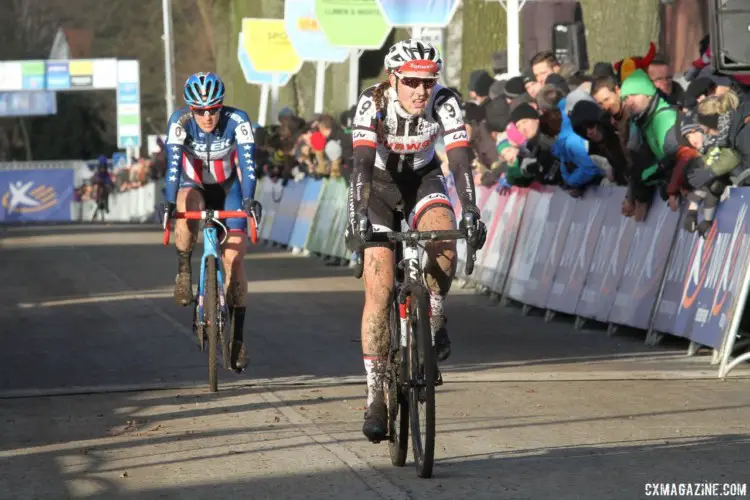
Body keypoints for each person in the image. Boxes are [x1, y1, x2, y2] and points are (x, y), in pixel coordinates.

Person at [345, 39, 487, 443]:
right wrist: (358, 215)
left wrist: (471, 211)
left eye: (428, 82)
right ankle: (375, 396)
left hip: (423, 180)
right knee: (380, 286)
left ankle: (435, 316)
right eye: (411, 82)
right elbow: (359, 164)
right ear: (393, 80)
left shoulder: (445, 102)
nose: (421, 90)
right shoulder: (371, 103)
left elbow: (459, 159)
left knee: (444, 242)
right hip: (377, 188)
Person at [162, 72, 262, 373]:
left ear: (222, 106)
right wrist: (167, 204)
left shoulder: (238, 120)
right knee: (183, 203)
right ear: (190, 109)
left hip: (230, 189)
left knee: (234, 259)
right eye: (200, 111)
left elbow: (248, 166)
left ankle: (237, 339)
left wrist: (248, 201)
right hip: (194, 187)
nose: (207, 116)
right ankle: (183, 270)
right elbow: (172, 168)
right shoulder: (180, 122)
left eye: (213, 109)